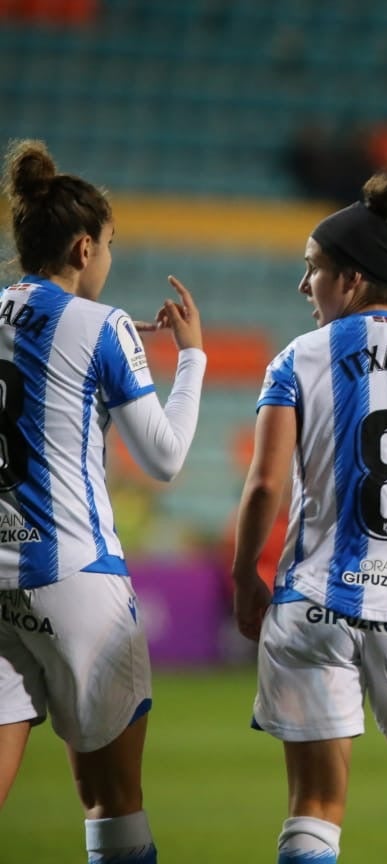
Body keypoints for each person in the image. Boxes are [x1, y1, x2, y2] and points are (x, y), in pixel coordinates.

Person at [230, 172, 387, 864]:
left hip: (315, 600)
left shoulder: (296, 360)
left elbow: (263, 489)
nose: (302, 285)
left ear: (350, 277)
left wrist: (245, 574)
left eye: (311, 269)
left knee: (314, 805)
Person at [0, 139, 206, 861]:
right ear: (84, 246)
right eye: (111, 246)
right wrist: (193, 361)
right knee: (112, 806)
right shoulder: (102, 324)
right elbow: (165, 457)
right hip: (76, 579)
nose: (110, 260)